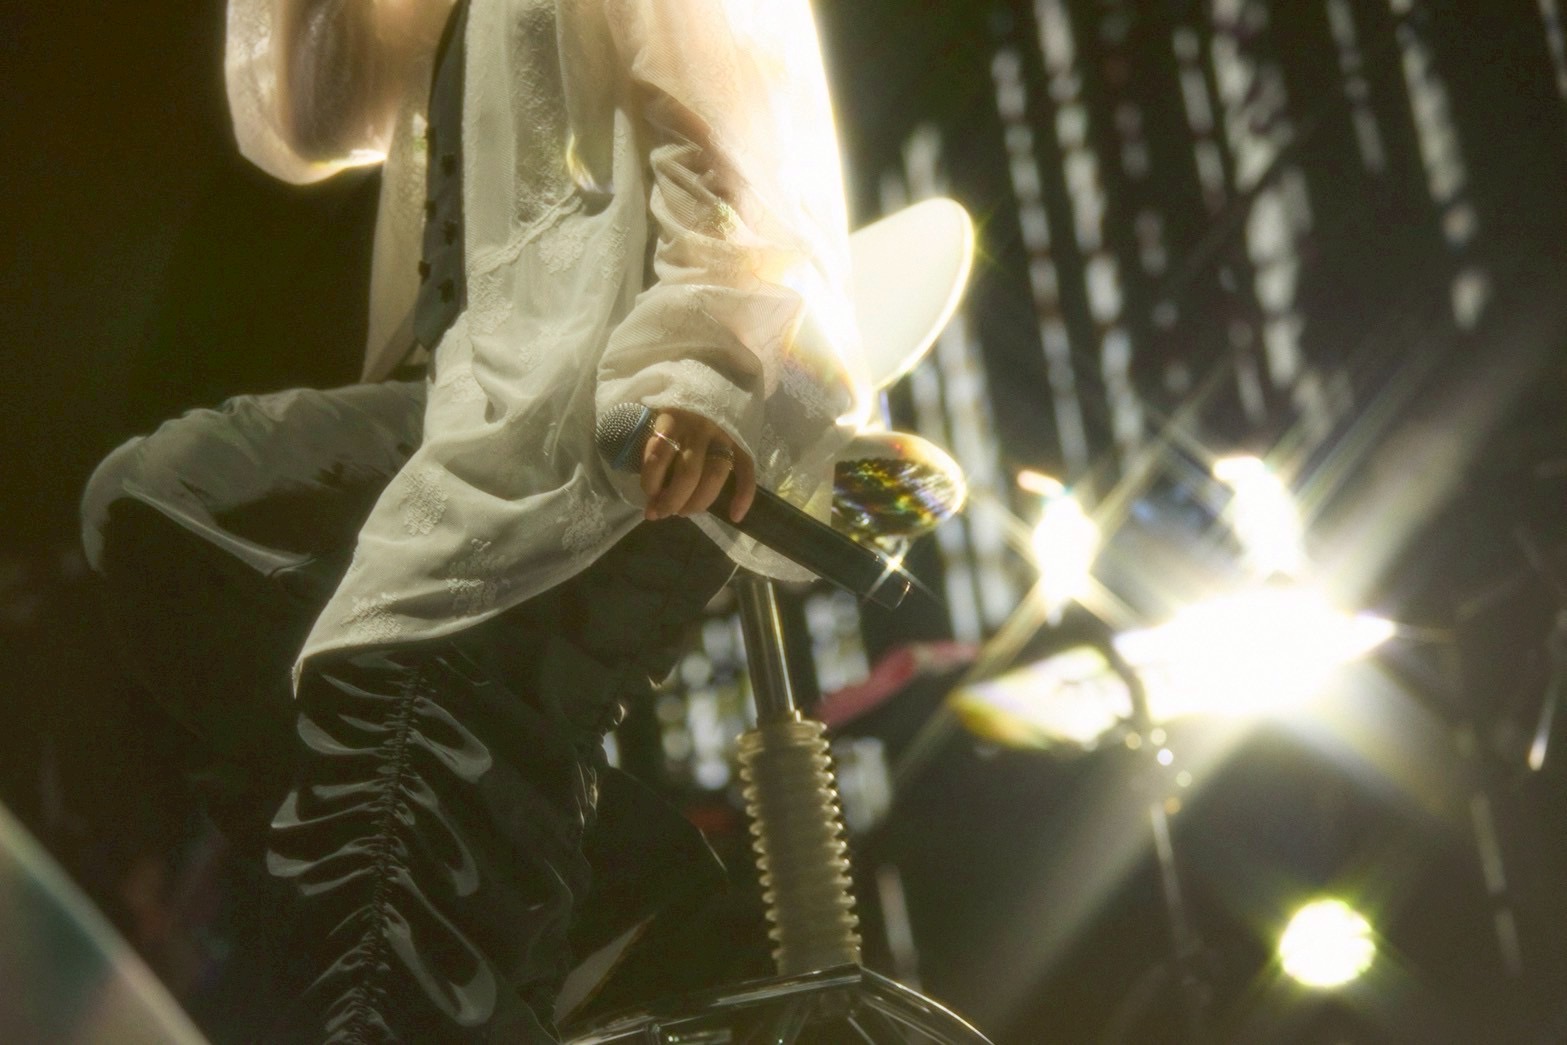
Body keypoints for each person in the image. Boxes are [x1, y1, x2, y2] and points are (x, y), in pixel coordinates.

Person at [80, 0, 870, 1039]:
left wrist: (699, 368)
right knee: (160, 503)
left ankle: (510, 907)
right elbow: (313, 116)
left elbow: (736, 110)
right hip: (468, 394)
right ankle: (608, 871)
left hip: (610, 398)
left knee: (403, 719)